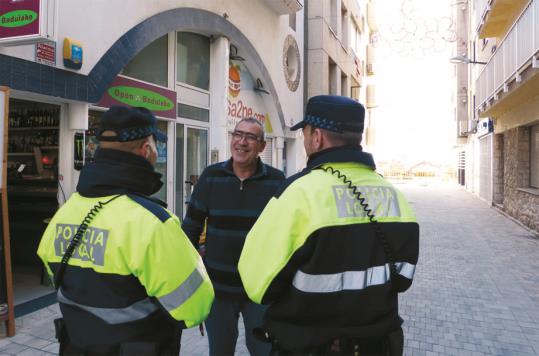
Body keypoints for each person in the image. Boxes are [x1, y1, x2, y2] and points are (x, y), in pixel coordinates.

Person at [238, 95, 420, 355]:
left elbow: (257, 282)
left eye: (305, 133)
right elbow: (402, 279)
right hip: (378, 345)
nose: (304, 140)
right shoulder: (395, 196)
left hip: (309, 346)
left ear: (317, 137)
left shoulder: (298, 194)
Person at [37, 106, 214, 356]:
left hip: (75, 347)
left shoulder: (66, 212)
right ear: (147, 150)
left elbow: (54, 274)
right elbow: (194, 307)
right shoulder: (153, 222)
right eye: (155, 144)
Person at [182, 117, 285, 356]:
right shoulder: (211, 177)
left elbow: (284, 235)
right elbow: (190, 229)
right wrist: (192, 281)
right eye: (237, 134)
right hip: (218, 289)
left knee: (265, 350)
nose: (242, 142)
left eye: (250, 137)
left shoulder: (277, 182)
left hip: (259, 289)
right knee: (220, 350)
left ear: (262, 146)